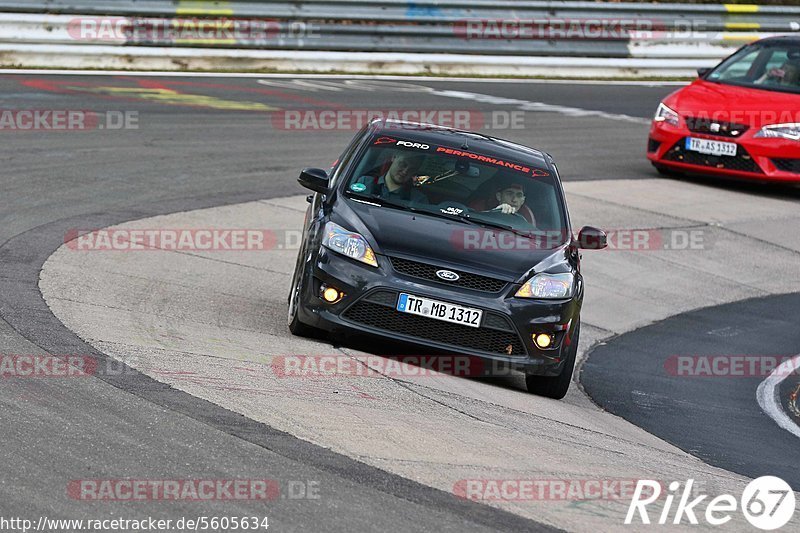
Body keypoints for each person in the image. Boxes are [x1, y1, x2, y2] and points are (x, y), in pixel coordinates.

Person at [353, 151, 428, 204]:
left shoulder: (418, 200)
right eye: (403, 164)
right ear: (394, 157)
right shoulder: (364, 183)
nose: (405, 171)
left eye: (411, 169)